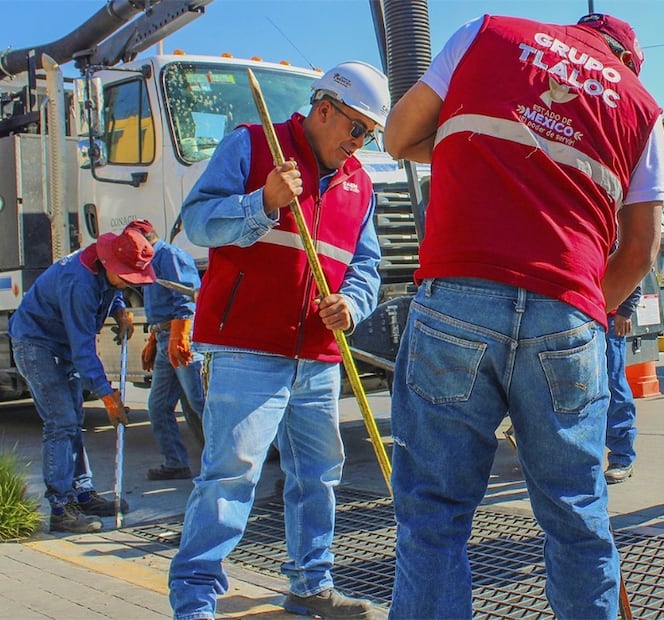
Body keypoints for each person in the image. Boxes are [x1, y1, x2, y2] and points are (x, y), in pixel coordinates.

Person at [383, 13, 664, 618]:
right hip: (568, 310)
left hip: (457, 295)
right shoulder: (642, 107)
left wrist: (471, 146)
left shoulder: (485, 33)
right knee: (575, 516)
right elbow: (641, 249)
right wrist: (589, 309)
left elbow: (398, 136)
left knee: (433, 514)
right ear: (627, 58)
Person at [167, 61, 387, 620]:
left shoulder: (360, 184)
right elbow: (195, 223)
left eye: (371, 135)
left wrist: (353, 304)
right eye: (356, 129)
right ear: (323, 109)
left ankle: (310, 584)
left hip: (317, 354)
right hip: (246, 346)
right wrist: (260, 202)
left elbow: (365, 265)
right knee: (231, 475)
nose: (359, 144)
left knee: (318, 475)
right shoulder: (251, 144)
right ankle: (194, 602)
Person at [10, 229, 155, 533]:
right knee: (61, 421)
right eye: (127, 277)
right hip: (37, 344)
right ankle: (61, 509)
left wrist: (119, 309)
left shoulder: (102, 267)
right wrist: (107, 395)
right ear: (112, 264)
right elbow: (83, 349)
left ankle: (83, 493)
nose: (130, 283)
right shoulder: (78, 282)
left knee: (73, 419)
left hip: (59, 344)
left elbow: (110, 289)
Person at [125, 219, 204, 481]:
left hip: (181, 336)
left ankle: (232, 460)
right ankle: (175, 463)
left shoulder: (170, 256)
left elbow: (186, 297)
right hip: (165, 337)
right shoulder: (148, 260)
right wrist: (155, 336)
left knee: (200, 402)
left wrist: (179, 335)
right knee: (158, 406)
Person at [604, 284, 643, 484]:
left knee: (613, 386)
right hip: (579, 315)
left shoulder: (613, 249)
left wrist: (625, 311)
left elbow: (634, 268)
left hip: (609, 320)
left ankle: (622, 458)